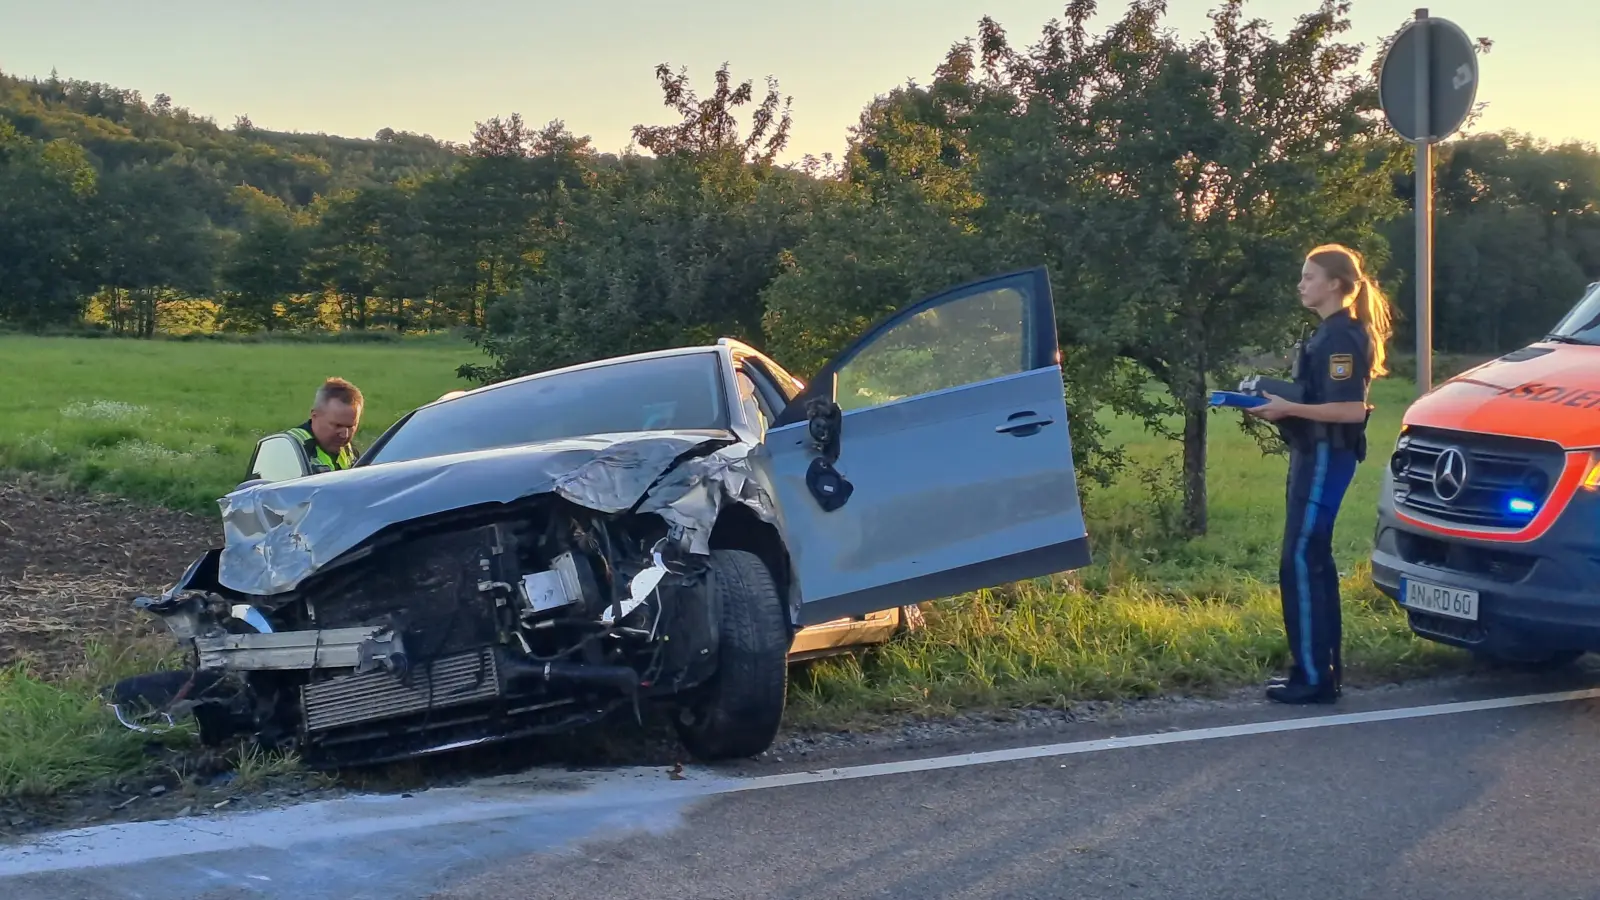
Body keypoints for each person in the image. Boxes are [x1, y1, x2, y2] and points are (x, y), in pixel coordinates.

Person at [1246, 243, 1393, 705]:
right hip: (1314, 453)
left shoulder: (1341, 337)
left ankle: (1314, 678)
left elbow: (1350, 410)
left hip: (1329, 454)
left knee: (1303, 559)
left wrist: (1288, 407)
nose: (1301, 284)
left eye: (1310, 277)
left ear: (1334, 284)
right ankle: (1317, 671)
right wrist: (1275, 401)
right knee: (1309, 560)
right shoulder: (1328, 334)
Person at [282, 377, 365, 472]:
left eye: (351, 427)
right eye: (337, 426)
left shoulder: (349, 452)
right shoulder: (289, 449)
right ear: (315, 416)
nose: (345, 434)